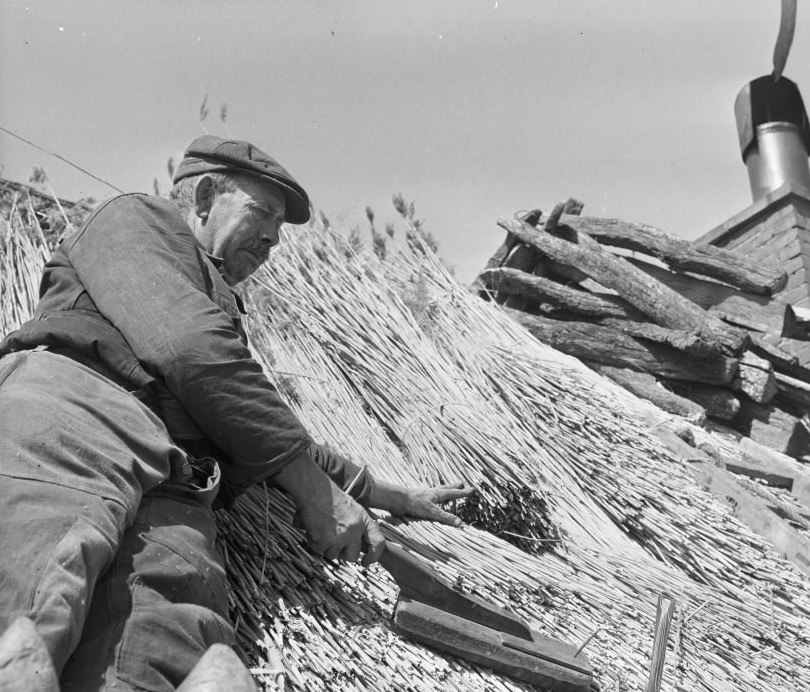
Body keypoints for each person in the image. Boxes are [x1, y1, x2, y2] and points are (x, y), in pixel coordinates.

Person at [0, 135, 473, 691]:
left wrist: (391, 495)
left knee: (158, 655)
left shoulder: (217, 305)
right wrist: (317, 496)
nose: (274, 236)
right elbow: (192, 350)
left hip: (181, 486)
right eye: (262, 211)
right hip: (76, 418)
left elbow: (266, 430)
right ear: (203, 197)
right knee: (25, 625)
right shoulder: (135, 219)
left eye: (280, 226)